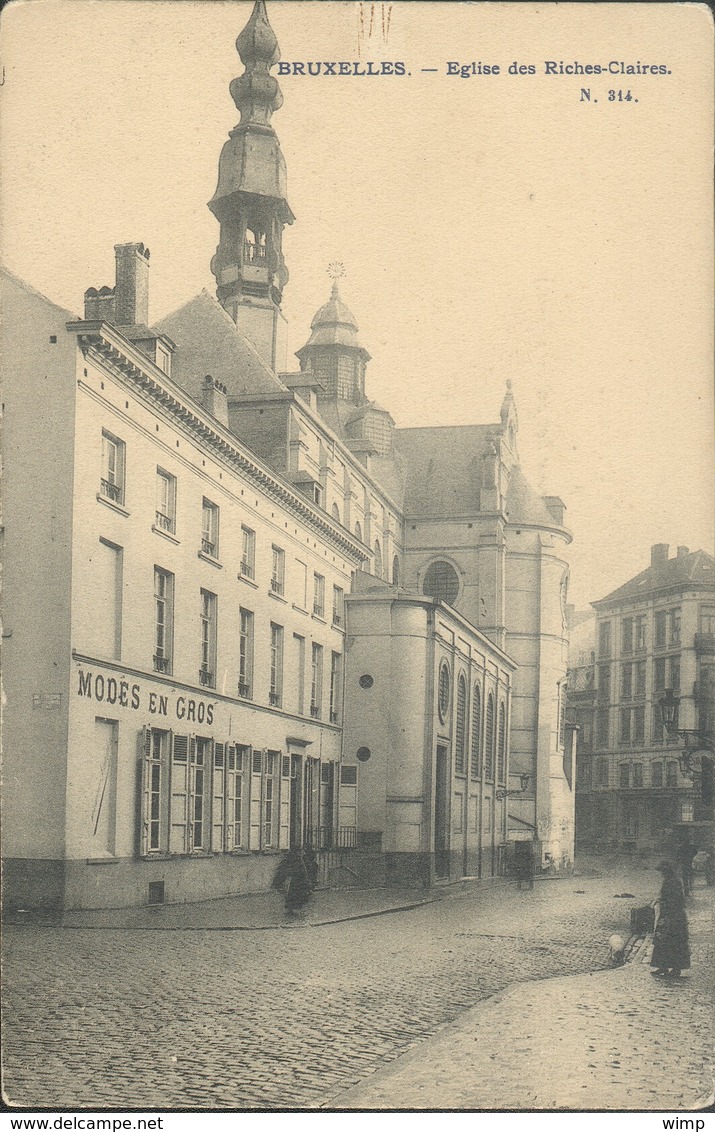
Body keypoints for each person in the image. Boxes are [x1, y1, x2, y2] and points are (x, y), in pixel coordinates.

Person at [650, 860, 691, 978]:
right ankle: (663, 966)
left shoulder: (673, 882)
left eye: (662, 872)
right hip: (669, 914)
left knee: (673, 941)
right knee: (663, 940)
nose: (661, 874)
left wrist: (663, 903)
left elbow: (676, 900)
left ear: (666, 871)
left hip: (674, 915)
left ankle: (676, 968)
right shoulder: (670, 881)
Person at [273, 846, 314, 917]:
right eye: (299, 851)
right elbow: (301, 870)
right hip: (297, 880)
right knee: (295, 894)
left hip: (297, 880)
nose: (300, 852)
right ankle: (292, 909)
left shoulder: (297, 858)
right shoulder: (297, 858)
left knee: (295, 894)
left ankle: (292, 909)